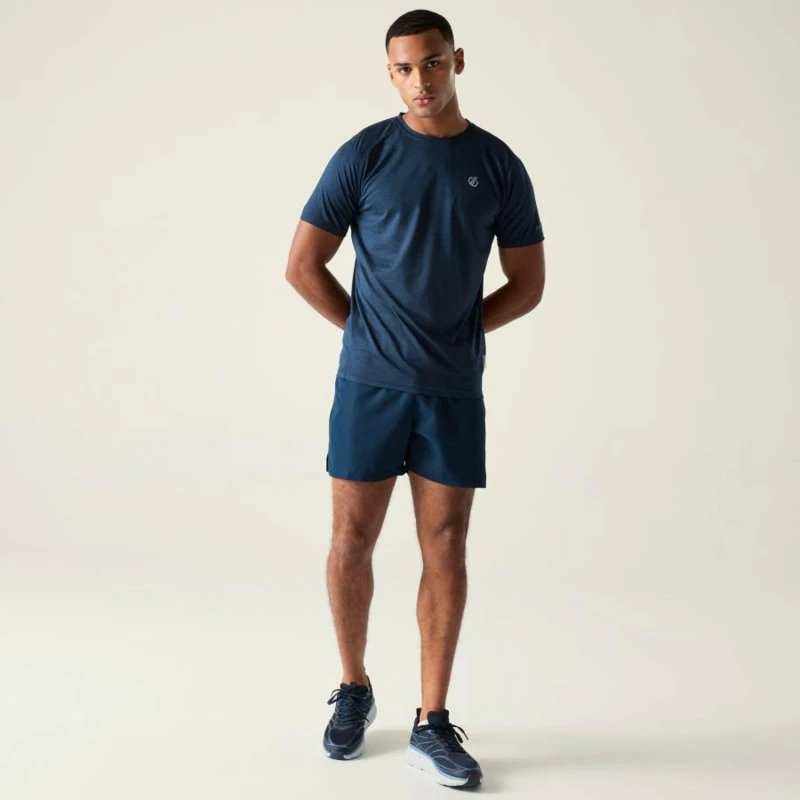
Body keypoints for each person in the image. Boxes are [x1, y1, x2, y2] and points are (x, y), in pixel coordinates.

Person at [285, 8, 545, 789]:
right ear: (390, 74)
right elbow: (302, 266)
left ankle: (432, 722)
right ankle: (354, 688)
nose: (419, 81)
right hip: (368, 386)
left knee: (446, 546)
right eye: (403, 69)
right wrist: (369, 333)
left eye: (431, 64)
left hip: (451, 392)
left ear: (456, 60)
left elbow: (528, 283)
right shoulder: (364, 154)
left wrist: (459, 334)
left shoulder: (497, 165)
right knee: (350, 542)